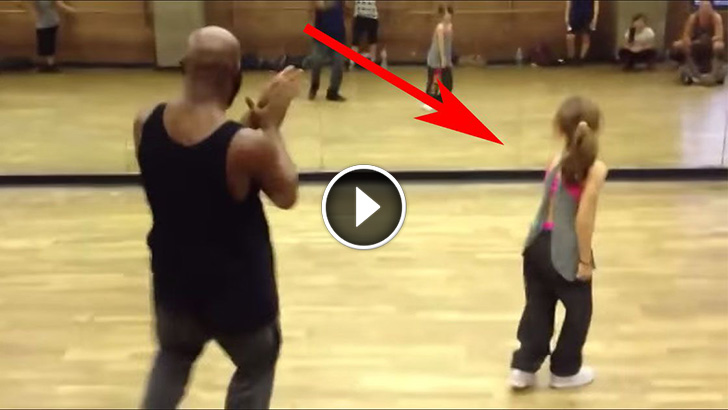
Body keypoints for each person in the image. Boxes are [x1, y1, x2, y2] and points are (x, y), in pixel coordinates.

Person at [134, 26, 301, 409]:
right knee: (255, 367)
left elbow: (200, 161)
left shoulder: (146, 122)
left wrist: (250, 123)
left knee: (173, 358)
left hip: (174, 287)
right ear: (233, 76)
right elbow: (286, 192)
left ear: (185, 67)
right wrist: (270, 126)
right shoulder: (246, 146)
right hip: (239, 297)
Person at [509, 96, 609, 390]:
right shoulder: (596, 169)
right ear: (595, 128)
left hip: (536, 243)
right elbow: (583, 220)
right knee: (579, 311)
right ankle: (565, 371)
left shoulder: (554, 161)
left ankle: (523, 368)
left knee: (538, 305)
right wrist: (585, 260)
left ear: (559, 129)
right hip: (563, 251)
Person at [670, 0, 725, 84]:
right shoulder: (693, 18)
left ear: (711, 9)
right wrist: (687, 42)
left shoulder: (716, 18)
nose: (704, 10)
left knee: (718, 46)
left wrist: (710, 40)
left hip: (709, 43)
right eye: (702, 8)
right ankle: (687, 69)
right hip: (695, 43)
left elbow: (719, 36)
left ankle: (716, 72)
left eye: (707, 8)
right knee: (678, 46)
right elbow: (686, 35)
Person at [308, 0, 347, 101]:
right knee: (316, 63)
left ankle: (333, 92)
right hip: (321, 35)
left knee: (338, 65)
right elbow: (320, 6)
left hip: (338, 35)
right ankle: (314, 86)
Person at [24, 0, 76, 72]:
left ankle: (50, 64)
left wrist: (69, 8)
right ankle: (47, 64)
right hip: (41, 23)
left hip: (51, 21)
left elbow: (60, 4)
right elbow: (30, 6)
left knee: (50, 43)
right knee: (43, 44)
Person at [422, 5, 454, 112]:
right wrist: (443, 59)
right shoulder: (440, 28)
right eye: (446, 13)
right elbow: (440, 45)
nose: (448, 15)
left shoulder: (450, 26)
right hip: (436, 57)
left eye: (449, 13)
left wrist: (448, 59)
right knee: (434, 80)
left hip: (445, 57)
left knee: (448, 81)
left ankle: (441, 101)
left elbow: (448, 44)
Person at [565, 0, 600, 65]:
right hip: (574, 14)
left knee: (586, 37)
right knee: (570, 37)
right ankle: (571, 57)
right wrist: (566, 17)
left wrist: (595, 19)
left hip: (587, 15)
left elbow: (596, 4)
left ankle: (581, 58)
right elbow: (568, 3)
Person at [350, 0, 380, 69]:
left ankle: (373, 60)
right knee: (355, 40)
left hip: (372, 16)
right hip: (359, 16)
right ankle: (352, 62)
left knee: (372, 40)